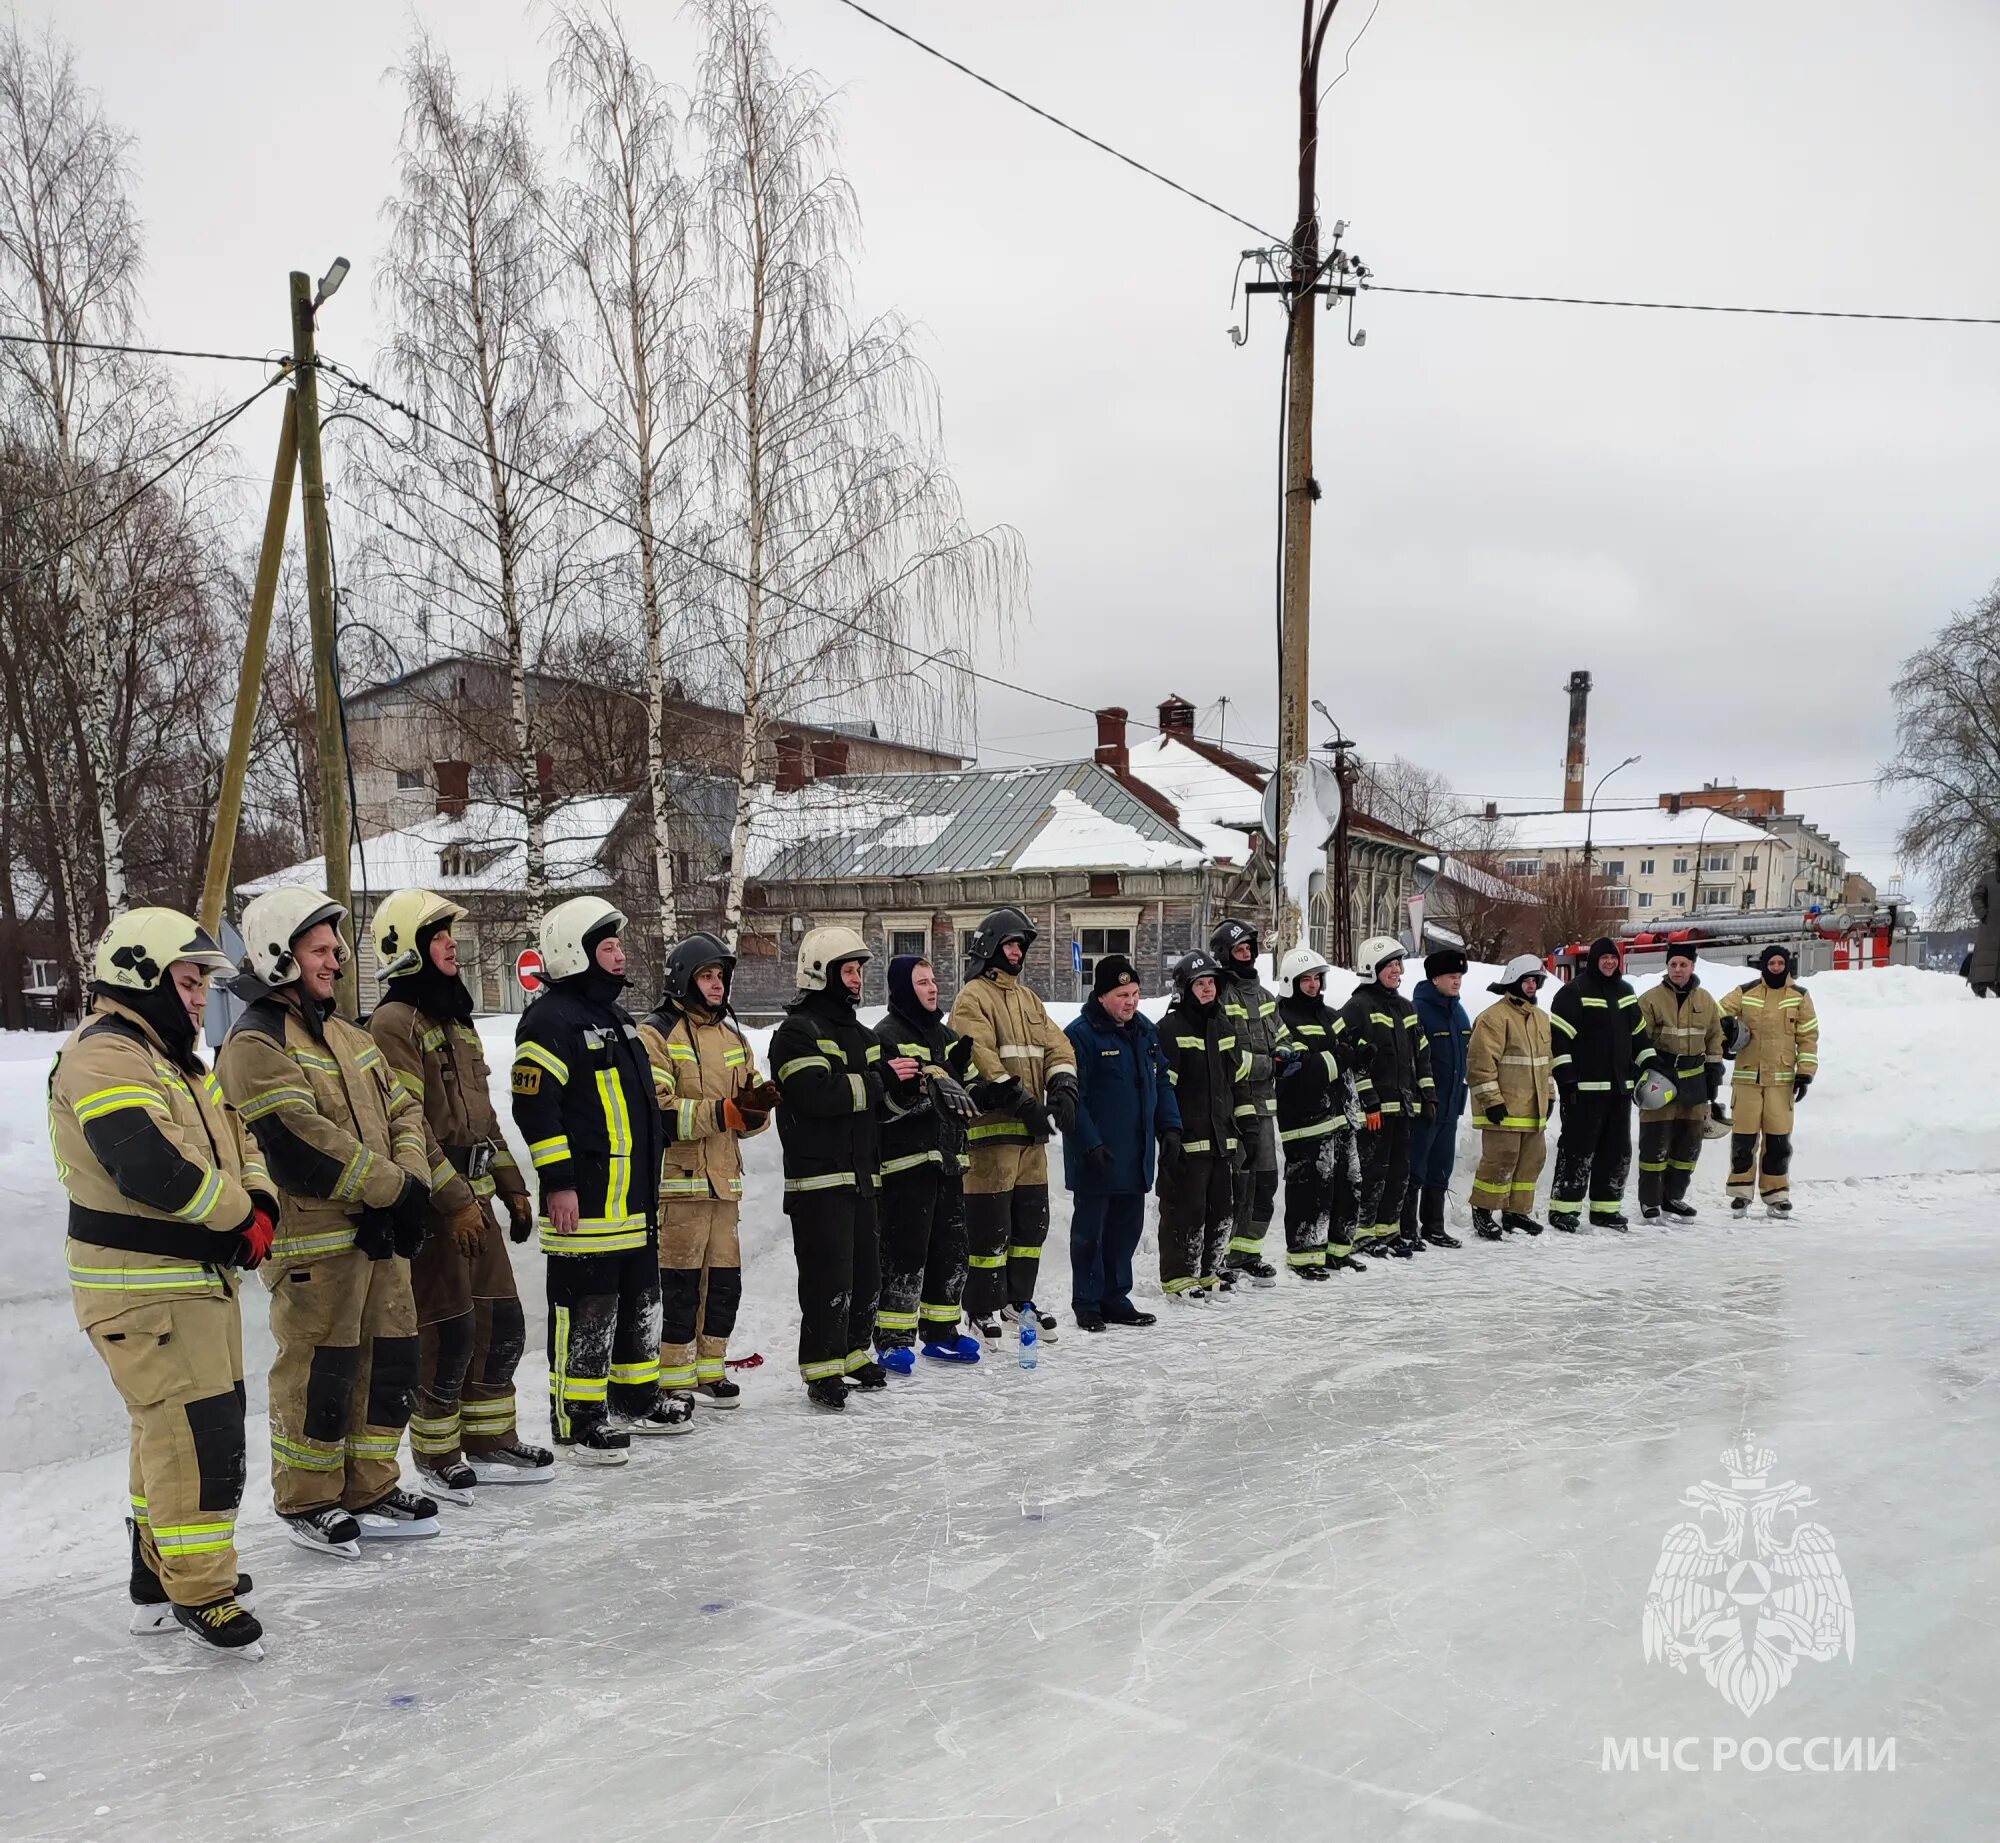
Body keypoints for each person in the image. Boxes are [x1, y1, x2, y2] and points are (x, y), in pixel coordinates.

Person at [50, 909, 270, 1656]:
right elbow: (152, 1167)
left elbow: (237, 1138)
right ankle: (200, 1590)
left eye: (202, 983)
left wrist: (260, 1202)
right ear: (139, 976)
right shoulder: (101, 1056)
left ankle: (160, 1577)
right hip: (143, 1288)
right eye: (186, 981)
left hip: (190, 1284)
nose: (198, 998)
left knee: (168, 1432)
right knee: (194, 1439)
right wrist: (241, 1217)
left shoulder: (174, 1061)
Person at [219, 887, 445, 1555]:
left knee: (390, 1362)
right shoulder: (254, 1042)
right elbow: (299, 1141)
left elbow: (406, 1113)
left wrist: (407, 1187)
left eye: (335, 947)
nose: (337, 959)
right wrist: (390, 1192)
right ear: (276, 955)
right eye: (320, 949)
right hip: (316, 1244)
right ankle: (308, 1497)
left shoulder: (350, 1034)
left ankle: (370, 1483)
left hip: (378, 1236)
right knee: (321, 1372)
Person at [368, 889, 552, 1500]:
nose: (452, 944)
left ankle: (490, 1438)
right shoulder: (394, 1024)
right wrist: (455, 1203)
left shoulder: (456, 1024)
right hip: (440, 1207)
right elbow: (411, 1125)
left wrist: (512, 1187)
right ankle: (438, 1450)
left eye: (449, 934)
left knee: (501, 1325)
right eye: (440, 935)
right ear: (408, 949)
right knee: (447, 1331)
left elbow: (485, 1119)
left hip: (477, 1201)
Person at [509, 897, 670, 1463]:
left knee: (638, 1299)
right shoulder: (549, 1020)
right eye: (608, 946)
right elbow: (536, 1111)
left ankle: (635, 1399)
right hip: (587, 1200)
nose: (619, 955)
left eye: (617, 945)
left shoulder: (618, 1019)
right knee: (587, 1306)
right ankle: (578, 1418)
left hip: (633, 1202)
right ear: (575, 953)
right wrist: (559, 1183)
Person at [638, 933, 777, 1425]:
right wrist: (727, 1112)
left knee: (724, 1284)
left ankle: (710, 1367)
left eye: (721, 976)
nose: (717, 985)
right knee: (678, 1285)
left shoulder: (734, 1037)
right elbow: (660, 1112)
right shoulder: (656, 1034)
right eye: (707, 976)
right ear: (683, 979)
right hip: (679, 1186)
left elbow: (748, 1121)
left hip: (724, 1185)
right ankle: (673, 1376)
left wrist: (757, 1110)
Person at [949, 906, 1078, 1343]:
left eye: (1021, 945)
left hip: (1030, 1138)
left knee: (1030, 1225)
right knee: (990, 1229)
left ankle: (1018, 1300)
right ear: (989, 947)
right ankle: (980, 1306)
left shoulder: (1028, 999)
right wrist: (1021, 1101)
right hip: (991, 1137)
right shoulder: (972, 997)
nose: (1017, 952)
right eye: (1010, 944)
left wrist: (1063, 1086)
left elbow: (1056, 1045)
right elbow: (979, 1056)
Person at [771, 927, 885, 1410]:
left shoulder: (861, 1034)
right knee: (827, 1278)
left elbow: (882, 1097)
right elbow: (817, 1096)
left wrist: (925, 1083)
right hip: (818, 1180)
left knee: (866, 1275)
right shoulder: (797, 1032)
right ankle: (821, 1369)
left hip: (861, 1176)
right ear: (821, 973)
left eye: (859, 970)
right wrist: (878, 1085)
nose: (857, 979)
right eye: (849, 970)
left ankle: (854, 1352)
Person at [871, 954, 989, 1368]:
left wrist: (981, 1086)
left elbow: (974, 1094)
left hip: (950, 1162)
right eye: (922, 982)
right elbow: (882, 1107)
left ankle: (941, 1332)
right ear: (903, 988)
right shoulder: (885, 1037)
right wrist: (925, 1091)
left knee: (951, 1251)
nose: (933, 988)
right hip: (906, 1166)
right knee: (906, 1253)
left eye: (934, 980)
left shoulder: (948, 1037)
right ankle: (893, 1337)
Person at [1061, 953, 1175, 1331]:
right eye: (1122, 994)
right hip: (1097, 1156)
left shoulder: (1145, 1031)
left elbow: (1161, 1081)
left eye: (1135, 993)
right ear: (1103, 996)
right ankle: (1088, 1301)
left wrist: (1170, 1128)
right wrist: (1089, 1144)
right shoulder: (1080, 1035)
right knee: (1090, 1234)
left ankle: (1115, 1297)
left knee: (1125, 1231)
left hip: (1135, 1152)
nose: (1131, 1001)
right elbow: (1073, 1098)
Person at [1154, 951, 1250, 1299]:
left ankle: (1210, 1270)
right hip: (1187, 1143)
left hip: (1221, 1140)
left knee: (1221, 1209)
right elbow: (1165, 1089)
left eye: (1211, 983)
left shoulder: (1224, 1026)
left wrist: (1247, 1127)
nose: (1208, 989)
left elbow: (1237, 1083)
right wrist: (1170, 1133)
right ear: (1184, 989)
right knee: (1185, 1210)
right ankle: (1178, 1276)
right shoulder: (1170, 1029)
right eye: (1200, 984)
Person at [1547, 936, 1658, 1231]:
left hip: (1619, 1091)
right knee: (1577, 1151)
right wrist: (1567, 1080)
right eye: (1604, 958)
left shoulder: (1625, 992)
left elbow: (1639, 1036)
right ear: (1593, 960)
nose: (1609, 962)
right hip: (1583, 1093)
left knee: (1616, 1151)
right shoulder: (1574, 992)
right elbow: (1560, 1042)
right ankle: (1563, 1210)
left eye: (1613, 958)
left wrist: (1650, 1063)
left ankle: (1606, 1210)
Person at [1336, 936, 1436, 1259]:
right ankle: (1363, 1235)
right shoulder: (1357, 1008)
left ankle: (1388, 1231)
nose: (1396, 970)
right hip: (1374, 1112)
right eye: (1389, 965)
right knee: (1372, 1172)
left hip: (1403, 1109)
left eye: (1398, 964)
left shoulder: (1406, 1008)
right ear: (1372, 968)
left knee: (1398, 1172)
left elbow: (1422, 1056)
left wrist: (1428, 1097)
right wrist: (1370, 1103)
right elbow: (1350, 1062)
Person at [1274, 945, 1366, 1276]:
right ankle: (1304, 1257)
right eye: (1306, 980)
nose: (1313, 985)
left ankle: (1338, 1251)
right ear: (1290, 982)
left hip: (1342, 1118)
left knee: (1348, 1186)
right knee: (1310, 1192)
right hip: (1306, 1122)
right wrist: (1338, 1057)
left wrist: (1350, 1054)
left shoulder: (1330, 1015)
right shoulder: (1282, 1018)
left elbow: (1353, 1051)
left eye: (1317, 979)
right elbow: (1301, 1070)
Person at [1208, 920, 1285, 1287]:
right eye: (1239, 950)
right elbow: (1231, 1059)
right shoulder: (1220, 996)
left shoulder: (1266, 998)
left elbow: (1282, 1037)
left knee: (1264, 1181)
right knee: (1236, 1182)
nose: (1247, 955)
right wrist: (1272, 1063)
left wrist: (1288, 1053)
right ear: (1224, 955)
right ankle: (1221, 1254)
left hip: (1265, 1106)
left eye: (1250, 949)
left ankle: (1248, 1251)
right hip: (1233, 1109)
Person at [1719, 944, 1821, 1215]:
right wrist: (1726, 1037)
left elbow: (1808, 1037)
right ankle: (1740, 1193)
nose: (1776, 967)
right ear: (1763, 965)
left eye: (1780, 963)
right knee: (1744, 1140)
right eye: (1771, 963)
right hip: (1747, 1080)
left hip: (1782, 1081)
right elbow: (1717, 1015)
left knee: (1778, 1142)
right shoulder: (1746, 991)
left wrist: (1805, 1073)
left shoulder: (1799, 996)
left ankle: (1776, 1195)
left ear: (1787, 965)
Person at [1465, 955, 1556, 1239]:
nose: (1531, 986)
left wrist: (1550, 1095)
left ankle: (1516, 1213)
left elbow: (1546, 1063)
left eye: (1535, 981)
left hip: (1533, 1109)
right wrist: (1491, 1101)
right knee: (1500, 1160)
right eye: (1526, 980)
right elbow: (1480, 1065)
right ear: (1513, 981)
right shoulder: (1494, 1018)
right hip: (1504, 1108)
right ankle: (1482, 1211)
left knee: (1532, 1161)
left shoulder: (1541, 1018)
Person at [1636, 944, 1725, 1222]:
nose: (1677, 969)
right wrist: (1646, 1069)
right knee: (1655, 1144)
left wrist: (1714, 1071)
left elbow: (1715, 1037)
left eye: (1683, 964)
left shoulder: (1706, 1000)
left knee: (1688, 1145)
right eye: (1673, 964)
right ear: (1667, 966)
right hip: (1660, 1080)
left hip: (1695, 1082)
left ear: (1692, 966)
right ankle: (1650, 1202)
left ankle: (1673, 1197)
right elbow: (1639, 1039)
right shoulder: (1650, 999)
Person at [1404, 948, 1471, 1249]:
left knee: (1441, 1168)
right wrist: (1423, 1098)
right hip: (1426, 1107)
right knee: (1415, 1168)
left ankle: (1433, 1226)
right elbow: (1413, 1061)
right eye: (1451, 977)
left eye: (1459, 977)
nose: (1457, 982)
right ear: (1434, 979)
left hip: (1451, 1106)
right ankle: (1406, 1228)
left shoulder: (1458, 1012)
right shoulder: (1418, 1010)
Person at [1968, 849, 2000, 998]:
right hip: (1990, 926)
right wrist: (1983, 914)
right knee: (1985, 956)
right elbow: (1977, 896)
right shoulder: (1988, 878)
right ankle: (1979, 985)